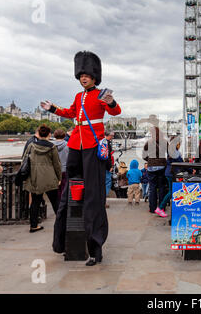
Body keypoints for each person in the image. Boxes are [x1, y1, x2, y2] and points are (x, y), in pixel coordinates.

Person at [41, 50, 122, 266]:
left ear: (94, 77)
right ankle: (62, 241)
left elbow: (115, 111)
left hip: (92, 144)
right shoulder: (79, 96)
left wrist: (112, 101)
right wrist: (53, 109)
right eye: (80, 76)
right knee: (72, 190)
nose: (83, 78)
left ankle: (95, 248)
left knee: (93, 196)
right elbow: (70, 113)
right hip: (76, 142)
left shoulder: (100, 94)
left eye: (86, 75)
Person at [23, 124, 62, 233]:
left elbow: (24, 161)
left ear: (38, 134)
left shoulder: (31, 146)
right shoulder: (52, 147)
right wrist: (59, 178)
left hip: (35, 178)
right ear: (49, 134)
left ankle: (33, 225)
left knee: (35, 202)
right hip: (50, 177)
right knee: (55, 202)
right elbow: (57, 164)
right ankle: (61, 224)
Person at [142, 126, 168, 217]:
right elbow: (170, 153)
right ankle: (161, 207)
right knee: (161, 187)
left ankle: (152, 208)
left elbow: (144, 155)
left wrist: (149, 160)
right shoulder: (164, 142)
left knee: (152, 188)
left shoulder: (149, 142)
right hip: (161, 166)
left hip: (151, 167)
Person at [159, 136, 183, 211]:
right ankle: (160, 208)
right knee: (171, 192)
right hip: (171, 173)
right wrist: (191, 170)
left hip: (169, 172)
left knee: (171, 191)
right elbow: (181, 163)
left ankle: (162, 208)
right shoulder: (175, 152)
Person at [52, 129, 69, 207]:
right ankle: (63, 205)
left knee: (54, 190)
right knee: (64, 188)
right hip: (65, 170)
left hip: (54, 170)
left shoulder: (51, 146)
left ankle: (57, 205)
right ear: (64, 135)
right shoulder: (68, 145)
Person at [104, 131, 114, 207]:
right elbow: (107, 157)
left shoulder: (102, 142)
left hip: (101, 166)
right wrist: (109, 167)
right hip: (106, 167)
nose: (113, 137)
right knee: (107, 182)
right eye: (112, 135)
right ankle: (103, 200)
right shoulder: (107, 144)